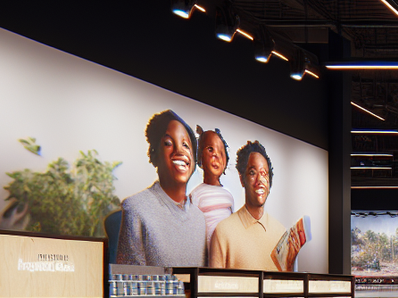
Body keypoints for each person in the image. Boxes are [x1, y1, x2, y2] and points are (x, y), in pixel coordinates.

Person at [118, 110, 208, 267]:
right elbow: (130, 281)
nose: (179, 151)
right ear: (154, 154)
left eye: (186, 145)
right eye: (168, 143)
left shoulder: (200, 219)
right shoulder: (136, 208)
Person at [209, 141, 278, 270]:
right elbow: (214, 287)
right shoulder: (223, 232)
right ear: (242, 179)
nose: (260, 180)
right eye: (252, 173)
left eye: (264, 173)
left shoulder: (281, 234)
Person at [190, 126, 234, 250]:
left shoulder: (228, 196)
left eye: (221, 152)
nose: (216, 155)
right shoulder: (195, 195)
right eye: (210, 149)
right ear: (200, 156)